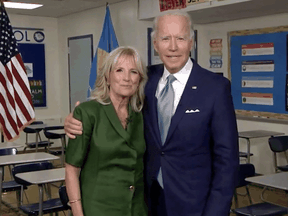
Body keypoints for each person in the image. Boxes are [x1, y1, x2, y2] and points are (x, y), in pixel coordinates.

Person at [65, 11, 239, 216]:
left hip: (194, 204)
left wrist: (216, 212)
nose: (172, 47)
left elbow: (227, 160)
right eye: (165, 38)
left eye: (180, 38)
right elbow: (111, 105)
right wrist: (73, 120)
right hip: (146, 201)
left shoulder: (215, 87)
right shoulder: (146, 79)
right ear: (156, 44)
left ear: (191, 42)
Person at [65, 46, 148, 216]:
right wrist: (77, 212)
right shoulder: (88, 112)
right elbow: (71, 169)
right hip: (98, 208)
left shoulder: (142, 114)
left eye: (133, 72)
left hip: (136, 209)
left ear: (139, 79)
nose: (126, 78)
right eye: (119, 70)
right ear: (108, 77)